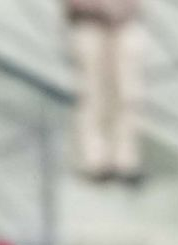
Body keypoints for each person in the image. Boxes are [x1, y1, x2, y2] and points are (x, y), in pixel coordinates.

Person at [64, 0, 143, 183]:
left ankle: (125, 160)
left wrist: (121, 10)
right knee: (91, 98)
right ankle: (94, 160)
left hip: (124, 26)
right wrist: (102, 9)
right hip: (90, 25)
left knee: (127, 96)